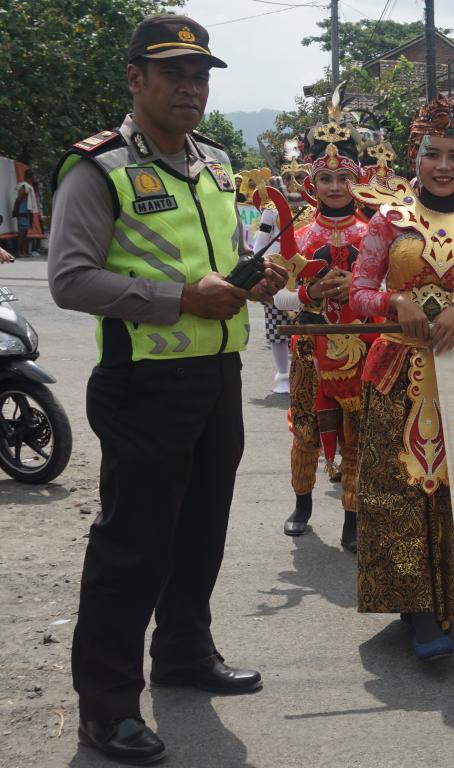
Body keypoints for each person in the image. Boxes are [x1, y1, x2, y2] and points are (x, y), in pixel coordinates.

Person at [47, 15, 287, 763]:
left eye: (200, 74)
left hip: (216, 377)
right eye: (174, 73)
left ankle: (184, 653)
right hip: (143, 384)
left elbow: (222, 263)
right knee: (132, 547)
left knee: (201, 532)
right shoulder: (100, 168)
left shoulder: (216, 164)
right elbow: (70, 279)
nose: (190, 87)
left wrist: (254, 283)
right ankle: (108, 705)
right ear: (135, 80)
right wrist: (182, 298)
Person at [348, 94, 454, 660]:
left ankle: (450, 601)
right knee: (399, 489)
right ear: (416, 159)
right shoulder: (386, 220)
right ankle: (415, 609)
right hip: (395, 373)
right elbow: (358, 293)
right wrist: (397, 302)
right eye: (432, 154)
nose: (443, 165)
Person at [272, 95, 374, 550]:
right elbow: (277, 294)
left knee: (357, 434)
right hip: (310, 347)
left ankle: (352, 516)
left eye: (343, 178)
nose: (335, 187)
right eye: (327, 178)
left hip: (359, 346)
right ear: (313, 182)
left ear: (358, 181)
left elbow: (385, 291)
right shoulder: (301, 232)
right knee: (307, 429)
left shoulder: (373, 233)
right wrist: (308, 293)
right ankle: (303, 503)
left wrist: (357, 289)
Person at [13, 169, 37, 256]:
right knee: (22, 232)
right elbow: (18, 199)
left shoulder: (28, 186)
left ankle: (23, 251)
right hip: (22, 212)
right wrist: (15, 211)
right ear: (31, 177)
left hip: (26, 212)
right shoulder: (24, 186)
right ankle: (19, 252)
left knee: (25, 233)